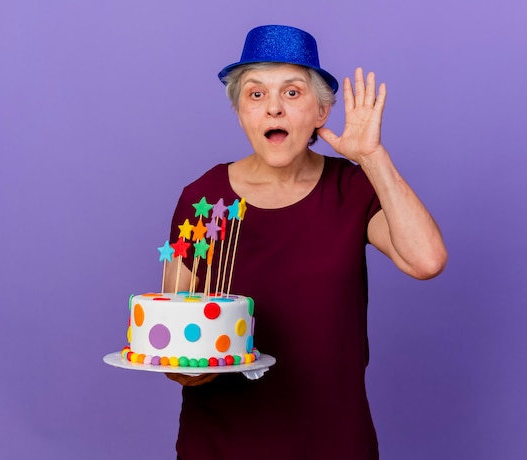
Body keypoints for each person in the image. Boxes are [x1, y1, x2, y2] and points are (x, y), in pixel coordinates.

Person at [163, 24, 447, 460]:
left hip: (333, 443)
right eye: (256, 94)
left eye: (292, 93)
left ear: (320, 113)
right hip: (219, 444)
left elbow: (425, 260)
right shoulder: (202, 199)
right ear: (240, 110)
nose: (273, 109)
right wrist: (186, 372)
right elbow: (171, 335)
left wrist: (372, 158)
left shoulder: (352, 188)